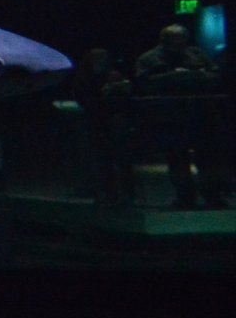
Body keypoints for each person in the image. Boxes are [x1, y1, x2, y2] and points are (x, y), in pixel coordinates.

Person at [133, 24, 226, 209]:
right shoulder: (149, 59)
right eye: (172, 40)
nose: (177, 44)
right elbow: (144, 84)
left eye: (181, 40)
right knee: (177, 161)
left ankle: (212, 197)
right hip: (170, 118)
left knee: (208, 160)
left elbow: (215, 76)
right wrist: (172, 78)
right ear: (163, 40)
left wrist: (193, 77)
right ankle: (185, 198)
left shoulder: (197, 55)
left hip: (201, 116)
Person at [69, 48, 134, 205]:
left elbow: (126, 100)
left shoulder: (114, 75)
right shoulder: (84, 78)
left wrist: (123, 90)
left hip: (115, 122)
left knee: (121, 159)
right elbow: (83, 99)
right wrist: (101, 94)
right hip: (95, 122)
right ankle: (106, 192)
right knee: (101, 160)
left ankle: (126, 192)